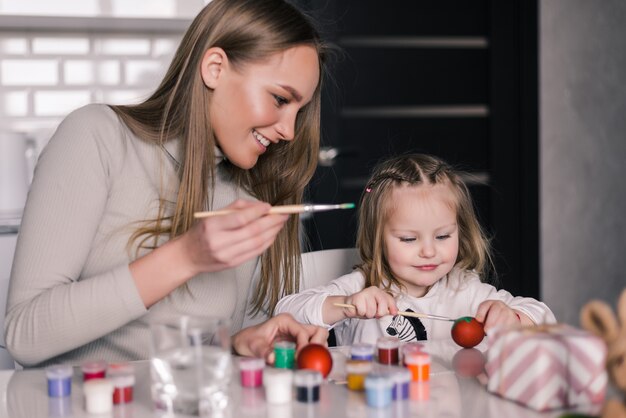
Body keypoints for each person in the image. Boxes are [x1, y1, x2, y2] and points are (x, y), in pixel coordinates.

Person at [5, 0, 330, 367]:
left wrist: (238, 343)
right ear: (215, 68)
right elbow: (23, 335)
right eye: (280, 99)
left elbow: (174, 364)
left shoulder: (247, 193)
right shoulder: (97, 137)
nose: (288, 130)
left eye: (297, 112)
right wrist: (186, 256)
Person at [275, 154, 556, 345]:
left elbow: (543, 315)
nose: (428, 251)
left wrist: (514, 317)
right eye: (409, 239)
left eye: (443, 236)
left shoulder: (465, 289)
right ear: (378, 238)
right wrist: (345, 306)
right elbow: (285, 313)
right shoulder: (363, 286)